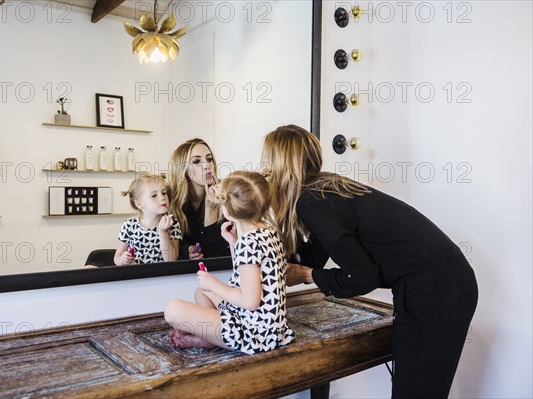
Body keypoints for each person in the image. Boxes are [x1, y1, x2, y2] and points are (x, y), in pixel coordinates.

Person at [261, 125, 477, 398]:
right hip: (446, 282)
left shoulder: (313, 201)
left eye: (267, 161)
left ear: (280, 163)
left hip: (438, 290)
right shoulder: (326, 190)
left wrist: (307, 276)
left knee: (414, 392)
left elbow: (361, 276)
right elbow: (312, 257)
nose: (265, 169)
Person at [164, 171, 295, 354]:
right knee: (202, 292)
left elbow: (250, 301)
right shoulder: (268, 232)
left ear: (227, 209)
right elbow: (248, 274)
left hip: (255, 335)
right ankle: (211, 337)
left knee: (173, 310)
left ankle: (212, 338)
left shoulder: (248, 242)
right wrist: (233, 243)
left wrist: (214, 283)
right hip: (269, 328)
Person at [168, 138, 230, 260]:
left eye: (209, 159)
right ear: (183, 169)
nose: (207, 165)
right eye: (196, 161)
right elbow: (165, 246)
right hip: (181, 275)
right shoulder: (169, 199)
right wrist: (186, 251)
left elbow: (219, 253)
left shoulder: (225, 194)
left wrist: (210, 210)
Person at [114, 173, 181, 265]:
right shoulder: (129, 225)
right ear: (139, 204)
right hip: (137, 276)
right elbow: (117, 257)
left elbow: (171, 260)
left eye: (164, 193)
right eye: (154, 195)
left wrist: (163, 232)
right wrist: (122, 260)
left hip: (161, 277)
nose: (162, 198)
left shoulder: (172, 223)